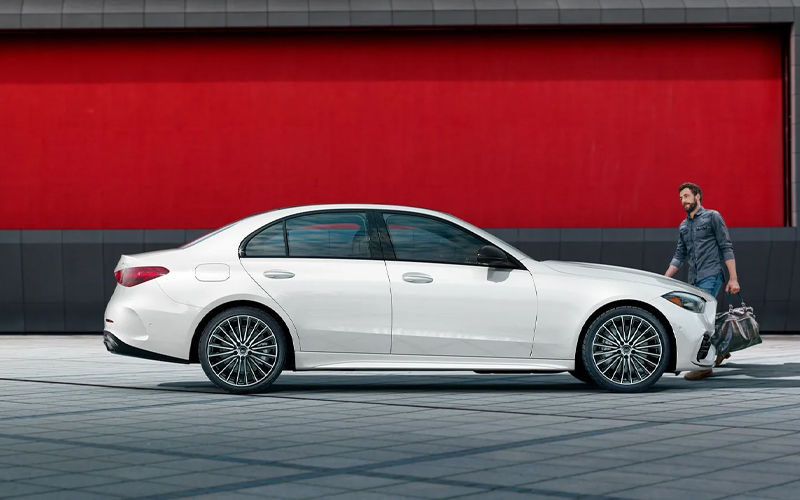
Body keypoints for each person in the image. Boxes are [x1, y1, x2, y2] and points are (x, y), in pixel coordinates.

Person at [664, 182, 740, 381]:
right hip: (694, 279)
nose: (683, 201)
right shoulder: (683, 226)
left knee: (699, 320)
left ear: (697, 196)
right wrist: (664, 279)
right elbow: (680, 255)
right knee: (703, 318)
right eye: (681, 198)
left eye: (687, 196)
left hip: (711, 275)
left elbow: (726, 246)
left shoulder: (712, 217)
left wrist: (733, 278)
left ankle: (704, 365)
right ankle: (721, 349)